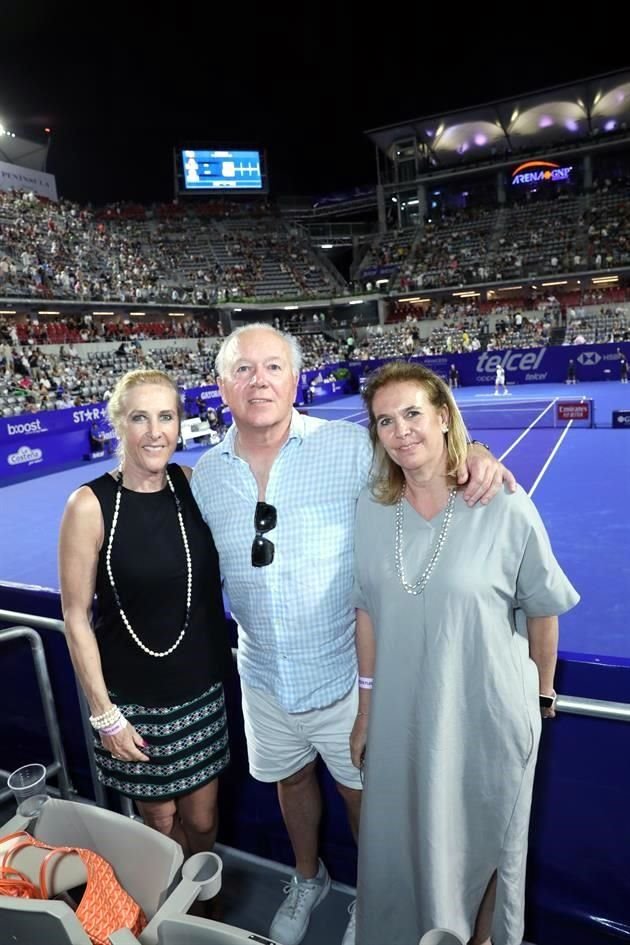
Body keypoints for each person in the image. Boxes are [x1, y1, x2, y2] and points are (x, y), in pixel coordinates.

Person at [191, 324, 516, 945]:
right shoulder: (206, 474)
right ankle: (307, 878)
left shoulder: (346, 446)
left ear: (295, 379)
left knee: (361, 793)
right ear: (221, 385)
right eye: (243, 370)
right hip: (261, 673)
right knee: (291, 782)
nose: (259, 380)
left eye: (273, 368)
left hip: (344, 670)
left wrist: (471, 455)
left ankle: (375, 897)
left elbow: (419, 455)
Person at [350, 361, 579, 945]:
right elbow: (367, 612)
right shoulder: (372, 512)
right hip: (403, 718)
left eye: (413, 414)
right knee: (410, 844)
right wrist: (366, 709)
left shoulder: (504, 506)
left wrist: (542, 693)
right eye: (384, 421)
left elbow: (542, 608)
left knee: (482, 849)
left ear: (444, 419)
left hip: (485, 715)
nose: (401, 431)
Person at [58, 369, 232, 860]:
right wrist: (104, 715)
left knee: (201, 819)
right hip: (131, 703)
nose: (155, 431)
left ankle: (203, 898)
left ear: (180, 423)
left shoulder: (190, 484)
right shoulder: (89, 506)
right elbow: (74, 616)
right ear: (119, 425)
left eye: (166, 416)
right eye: (140, 418)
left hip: (200, 689)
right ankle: (173, 909)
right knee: (158, 821)